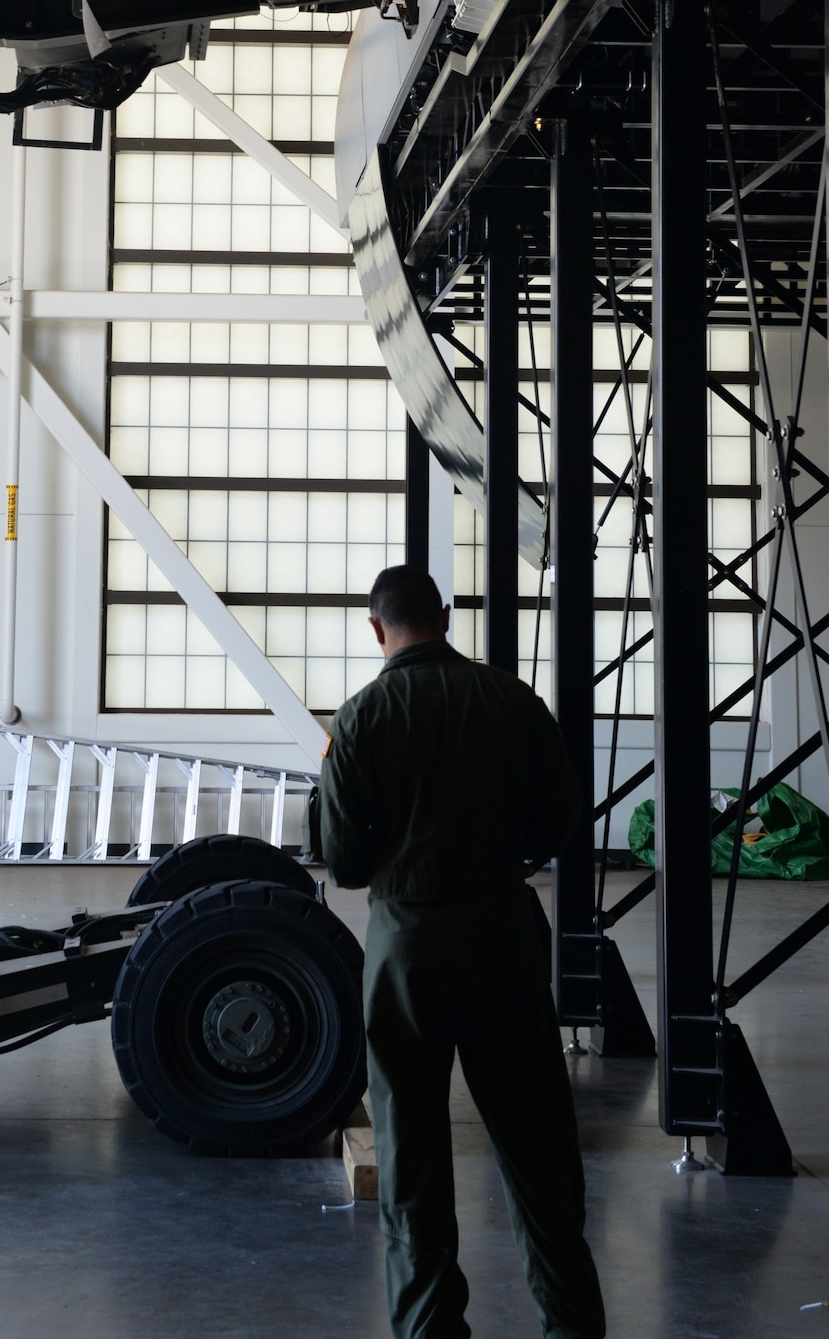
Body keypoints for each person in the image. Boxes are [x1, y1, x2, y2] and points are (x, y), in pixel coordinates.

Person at [317, 564, 606, 1339]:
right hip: (501, 938)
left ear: (376, 630)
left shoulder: (360, 718)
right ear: (444, 616)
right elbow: (556, 829)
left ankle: (430, 1329)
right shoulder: (514, 703)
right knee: (536, 1141)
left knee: (410, 1150)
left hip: (405, 947)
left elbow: (340, 859)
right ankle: (572, 1324)